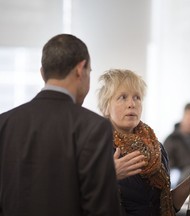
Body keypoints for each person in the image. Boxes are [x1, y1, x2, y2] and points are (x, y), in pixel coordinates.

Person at [0, 34, 121, 216]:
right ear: (81, 69)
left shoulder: (4, 123)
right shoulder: (93, 127)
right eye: (90, 72)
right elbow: (103, 209)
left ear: (43, 73)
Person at [97, 69, 190, 216]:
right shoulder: (96, 148)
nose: (131, 104)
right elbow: (78, 200)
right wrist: (109, 175)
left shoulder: (156, 148)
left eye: (137, 97)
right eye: (122, 97)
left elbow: (166, 205)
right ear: (105, 106)